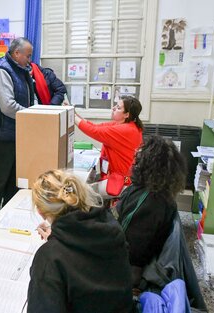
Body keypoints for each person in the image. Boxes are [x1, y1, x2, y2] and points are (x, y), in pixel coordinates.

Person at [27, 169, 133, 313]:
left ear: (41, 211)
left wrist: (55, 244)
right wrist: (58, 238)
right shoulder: (112, 228)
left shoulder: (49, 258)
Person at [0, 62, 67, 186]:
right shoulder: (10, 74)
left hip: (42, 117)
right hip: (22, 120)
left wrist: (50, 108)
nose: (29, 73)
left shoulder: (46, 74)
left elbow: (60, 90)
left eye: (30, 71)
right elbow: (9, 105)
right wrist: (31, 113)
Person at [116, 135, 187, 288]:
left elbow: (128, 247)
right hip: (131, 259)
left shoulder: (148, 202)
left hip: (126, 268)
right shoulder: (155, 191)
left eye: (139, 157)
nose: (135, 159)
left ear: (149, 164)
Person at [0, 37, 35, 224]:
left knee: (13, 177)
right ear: (16, 53)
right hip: (1, 133)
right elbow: (8, 106)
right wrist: (32, 115)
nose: (30, 59)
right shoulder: (2, 70)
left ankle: (7, 214)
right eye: (27, 55)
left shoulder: (20, 70)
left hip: (14, 131)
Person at [74, 96, 144, 198]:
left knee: (81, 193)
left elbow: (93, 131)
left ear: (127, 114)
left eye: (118, 108)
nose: (113, 108)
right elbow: (95, 126)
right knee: (87, 184)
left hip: (122, 182)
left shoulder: (125, 130)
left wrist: (71, 116)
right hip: (119, 177)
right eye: (116, 105)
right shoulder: (124, 125)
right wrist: (75, 114)